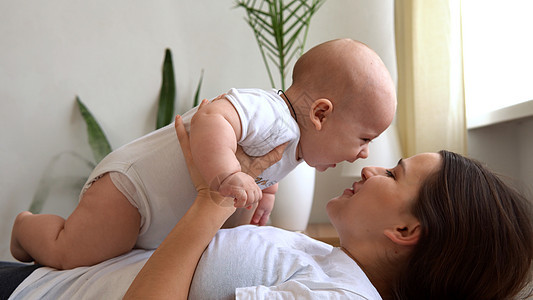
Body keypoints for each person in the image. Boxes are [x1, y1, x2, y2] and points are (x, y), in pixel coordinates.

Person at [4, 115, 532, 300]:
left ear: (405, 228)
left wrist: (209, 204)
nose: (371, 168)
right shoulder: (334, 267)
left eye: (394, 175)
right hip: (44, 279)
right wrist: (240, 213)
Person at [10, 38, 398, 270]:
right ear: (321, 114)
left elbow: (266, 169)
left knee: (117, 253)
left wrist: (266, 192)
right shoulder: (270, 112)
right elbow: (214, 115)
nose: (363, 155)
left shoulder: (295, 146)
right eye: (364, 138)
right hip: (131, 191)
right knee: (72, 252)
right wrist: (228, 173)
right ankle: (27, 228)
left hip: (158, 219)